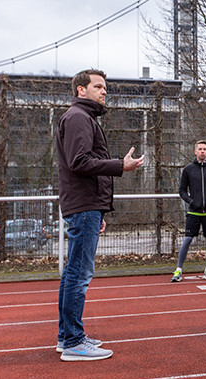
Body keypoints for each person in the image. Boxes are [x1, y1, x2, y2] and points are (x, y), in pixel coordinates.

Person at [56, 69, 144, 361]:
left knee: (73, 273)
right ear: (81, 90)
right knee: (79, 275)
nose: (104, 91)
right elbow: (80, 162)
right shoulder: (79, 118)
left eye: (104, 86)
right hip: (83, 205)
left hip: (87, 205)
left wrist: (99, 208)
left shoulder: (83, 118)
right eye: (98, 86)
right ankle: (72, 342)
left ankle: (67, 335)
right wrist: (120, 165)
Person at [171, 140, 206, 282]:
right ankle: (178, 270)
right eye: (200, 149)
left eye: (204, 149)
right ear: (195, 151)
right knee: (187, 239)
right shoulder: (188, 169)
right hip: (194, 212)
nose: (202, 151)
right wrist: (191, 201)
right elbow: (181, 190)